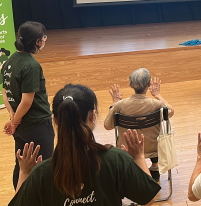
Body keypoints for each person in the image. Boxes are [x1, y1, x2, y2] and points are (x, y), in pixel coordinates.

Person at [9, 84, 161, 206]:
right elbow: (148, 199)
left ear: (55, 120)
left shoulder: (40, 174)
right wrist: (139, 157)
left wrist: (24, 173)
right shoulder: (116, 160)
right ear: (92, 116)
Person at [1, 21, 54, 190]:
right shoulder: (31, 66)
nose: (45, 40)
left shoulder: (9, 62)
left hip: (22, 127)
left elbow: (4, 93)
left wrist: (12, 117)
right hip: (37, 125)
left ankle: (19, 198)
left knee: (22, 166)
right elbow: (27, 101)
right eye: (43, 38)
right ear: (36, 42)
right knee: (45, 168)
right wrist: (14, 121)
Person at [104, 69, 174, 181]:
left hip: (128, 148)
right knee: (152, 137)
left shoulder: (120, 105)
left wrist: (114, 102)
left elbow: (107, 126)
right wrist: (158, 95)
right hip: (153, 148)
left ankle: (133, 169)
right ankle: (155, 168)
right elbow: (170, 112)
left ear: (131, 85)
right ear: (149, 84)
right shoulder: (156, 104)